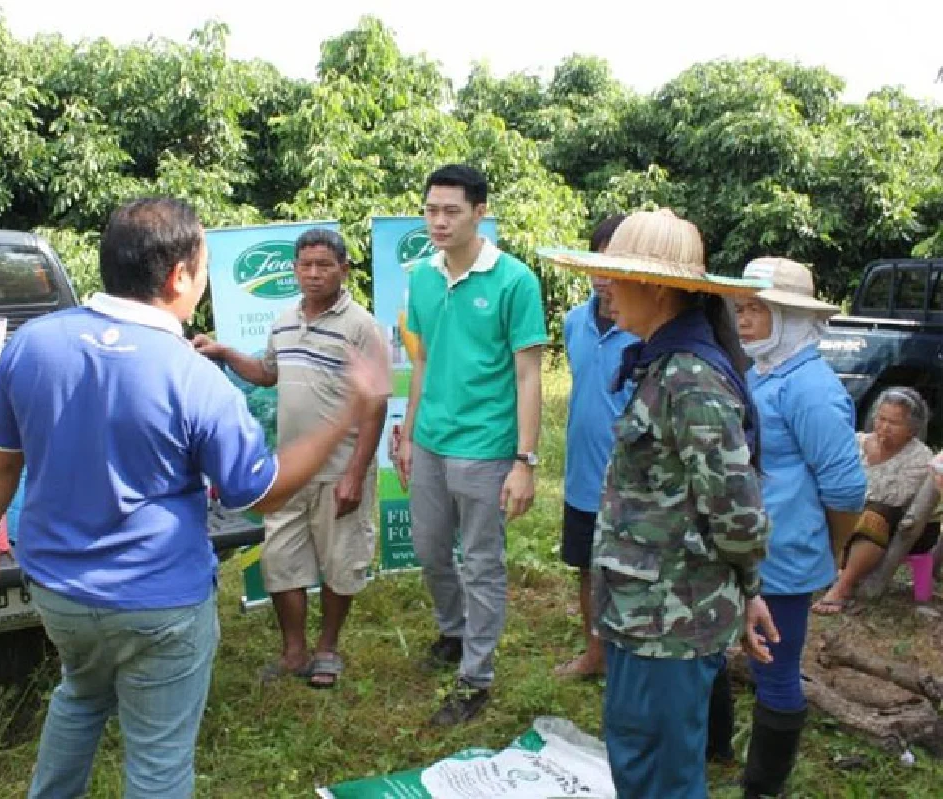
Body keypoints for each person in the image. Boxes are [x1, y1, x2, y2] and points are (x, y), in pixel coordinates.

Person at [0, 198, 390, 799]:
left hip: (58, 592)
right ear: (179, 275)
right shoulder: (191, 376)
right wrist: (344, 420)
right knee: (158, 765)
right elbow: (259, 493)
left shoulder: (32, 346)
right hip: (160, 604)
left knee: (80, 693)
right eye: (202, 266)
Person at [541, 208, 776, 799]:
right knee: (635, 753)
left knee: (661, 774)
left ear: (652, 287)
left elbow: (739, 515)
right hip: (640, 611)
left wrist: (748, 591)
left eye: (614, 279)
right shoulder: (659, 365)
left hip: (672, 621)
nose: (606, 293)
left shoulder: (690, 380)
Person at [193, 228, 388, 689]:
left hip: (341, 469)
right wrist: (222, 351)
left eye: (325, 265)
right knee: (281, 563)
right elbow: (266, 375)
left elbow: (376, 404)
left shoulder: (361, 326)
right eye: (306, 265)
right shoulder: (284, 320)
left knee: (341, 563)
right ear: (295, 269)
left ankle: (327, 649)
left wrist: (356, 475)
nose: (314, 273)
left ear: (343, 269)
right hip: (290, 470)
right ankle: (294, 652)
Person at [395, 163, 546, 726]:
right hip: (431, 440)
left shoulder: (514, 281)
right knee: (431, 549)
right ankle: (453, 632)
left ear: (480, 212)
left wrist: (524, 460)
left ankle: (475, 678)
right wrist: (409, 435)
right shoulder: (423, 277)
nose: (439, 221)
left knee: (481, 562)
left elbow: (529, 375)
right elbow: (425, 360)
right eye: (431, 210)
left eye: (451, 210)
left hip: (485, 446)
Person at [710, 257, 866, 796]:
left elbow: (846, 488)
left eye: (760, 309)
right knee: (716, 649)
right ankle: (716, 749)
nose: (745, 319)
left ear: (794, 318)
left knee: (774, 670)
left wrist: (834, 546)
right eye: (742, 308)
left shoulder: (810, 387)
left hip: (785, 558)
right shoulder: (764, 371)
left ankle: (763, 786)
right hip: (746, 548)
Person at [555, 213, 636, 680]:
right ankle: (595, 654)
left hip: (633, 484)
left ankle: (629, 660)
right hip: (584, 477)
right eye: (599, 259)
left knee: (631, 573)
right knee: (586, 567)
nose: (605, 273)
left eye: (617, 261)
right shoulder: (574, 323)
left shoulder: (648, 331)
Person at [813, 385, 938, 615]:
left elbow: (895, 498)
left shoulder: (920, 457)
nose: (884, 427)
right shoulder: (856, 442)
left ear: (912, 429)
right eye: (880, 419)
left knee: (874, 514)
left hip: (896, 524)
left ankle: (842, 588)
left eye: (893, 423)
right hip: (850, 512)